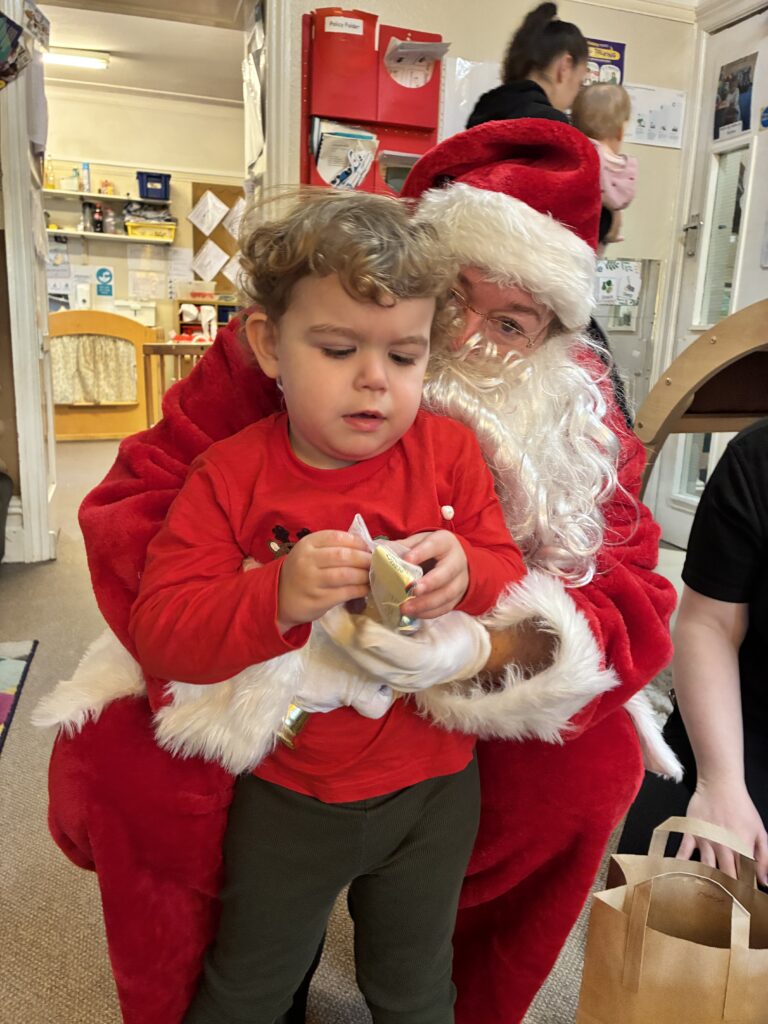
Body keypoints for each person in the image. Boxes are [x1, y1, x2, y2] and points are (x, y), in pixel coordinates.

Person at [36, 118, 678, 1024]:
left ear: (551, 339)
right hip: (278, 707)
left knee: (581, 781)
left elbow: (626, 589)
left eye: (510, 324)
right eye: (454, 304)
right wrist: (272, 611)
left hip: (444, 740)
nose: (465, 344)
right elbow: (141, 514)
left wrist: (481, 645)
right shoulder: (296, 347)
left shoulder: (566, 426)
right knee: (142, 788)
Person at [129, 188, 526, 1023]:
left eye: (406, 357)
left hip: (435, 787)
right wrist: (273, 593)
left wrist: (468, 571)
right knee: (250, 983)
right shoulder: (230, 474)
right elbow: (161, 632)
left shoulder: (450, 454)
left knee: (416, 987)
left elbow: (507, 568)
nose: (375, 379)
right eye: (340, 348)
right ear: (269, 345)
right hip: (289, 790)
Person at [619, 420, 768, 889]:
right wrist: (720, 783)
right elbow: (710, 624)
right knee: (666, 881)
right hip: (744, 716)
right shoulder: (756, 458)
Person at [466, 3, 587, 129]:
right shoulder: (551, 125)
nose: (574, 98)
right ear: (565, 66)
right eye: (579, 83)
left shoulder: (482, 112)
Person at [571, 83, 638, 252]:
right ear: (620, 132)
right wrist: (615, 213)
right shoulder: (612, 162)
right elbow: (619, 199)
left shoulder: (571, 150)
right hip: (588, 246)